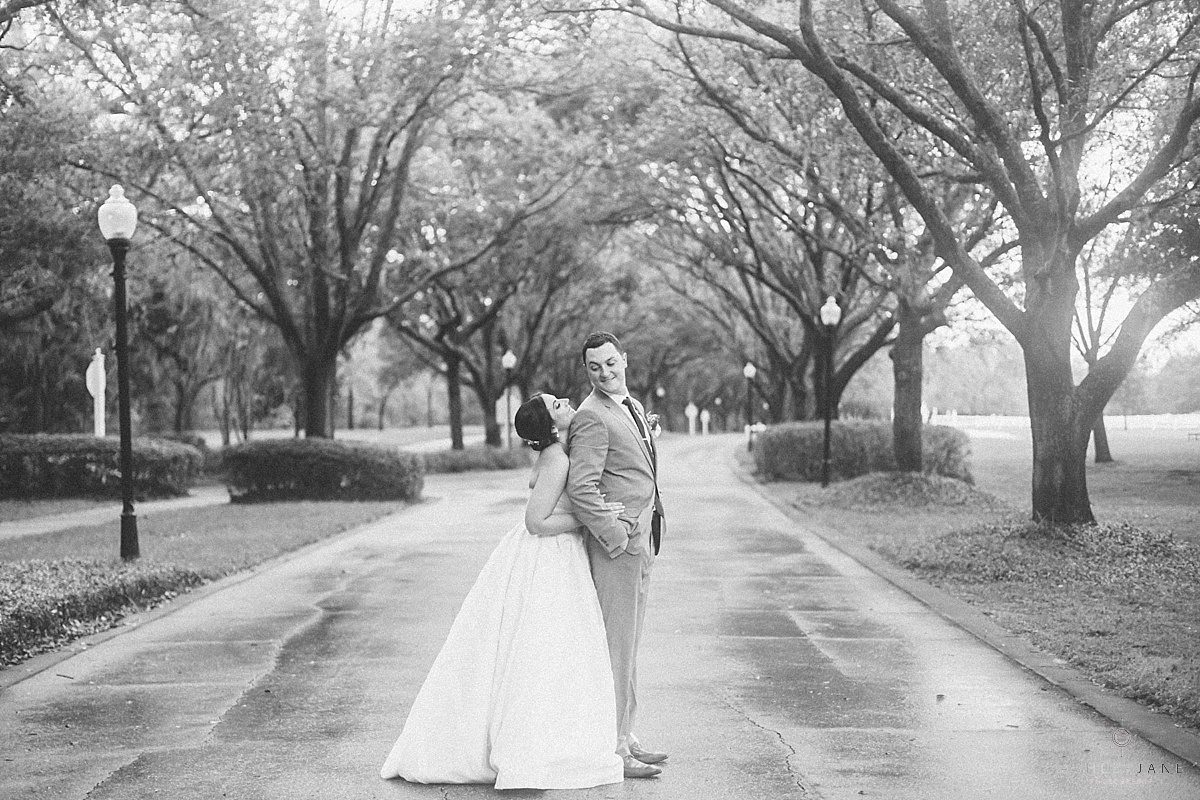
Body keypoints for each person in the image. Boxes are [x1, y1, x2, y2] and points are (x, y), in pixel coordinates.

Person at [379, 393, 624, 790]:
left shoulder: (555, 453)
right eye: (557, 404)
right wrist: (588, 519)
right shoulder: (558, 460)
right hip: (549, 559)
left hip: (552, 556)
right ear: (552, 426)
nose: (565, 401)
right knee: (543, 650)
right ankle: (534, 746)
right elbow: (536, 522)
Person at [566, 331, 668, 779]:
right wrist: (617, 536)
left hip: (644, 540)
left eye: (610, 363)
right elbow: (581, 488)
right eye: (594, 367)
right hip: (618, 548)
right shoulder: (590, 416)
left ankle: (626, 733)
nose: (604, 373)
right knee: (616, 647)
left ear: (624, 360)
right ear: (586, 370)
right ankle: (612, 748)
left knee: (630, 643)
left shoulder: (630, 406)